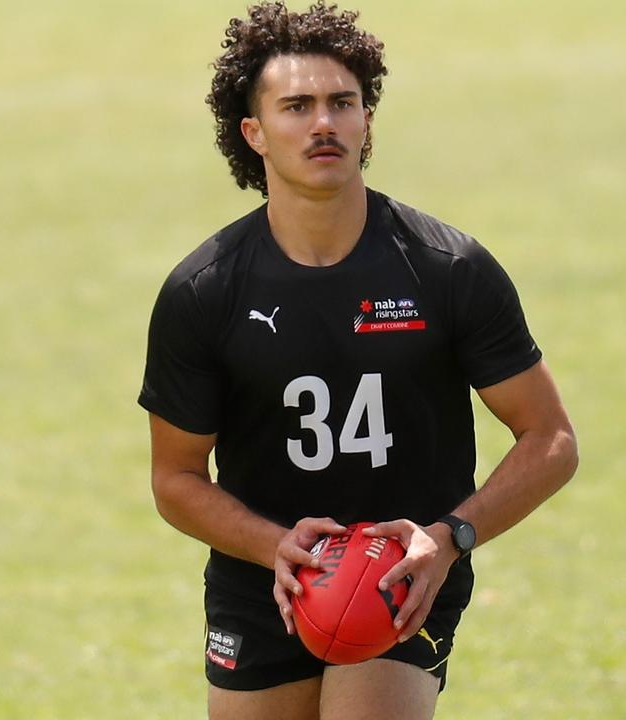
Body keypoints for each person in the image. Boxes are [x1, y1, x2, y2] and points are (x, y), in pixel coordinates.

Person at [138, 3, 578, 718]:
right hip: (261, 582)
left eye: (344, 103)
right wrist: (273, 546)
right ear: (254, 133)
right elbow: (175, 478)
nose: (325, 123)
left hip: (404, 581)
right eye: (298, 106)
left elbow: (552, 440)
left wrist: (449, 538)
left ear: (367, 121)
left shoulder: (447, 269)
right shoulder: (205, 291)